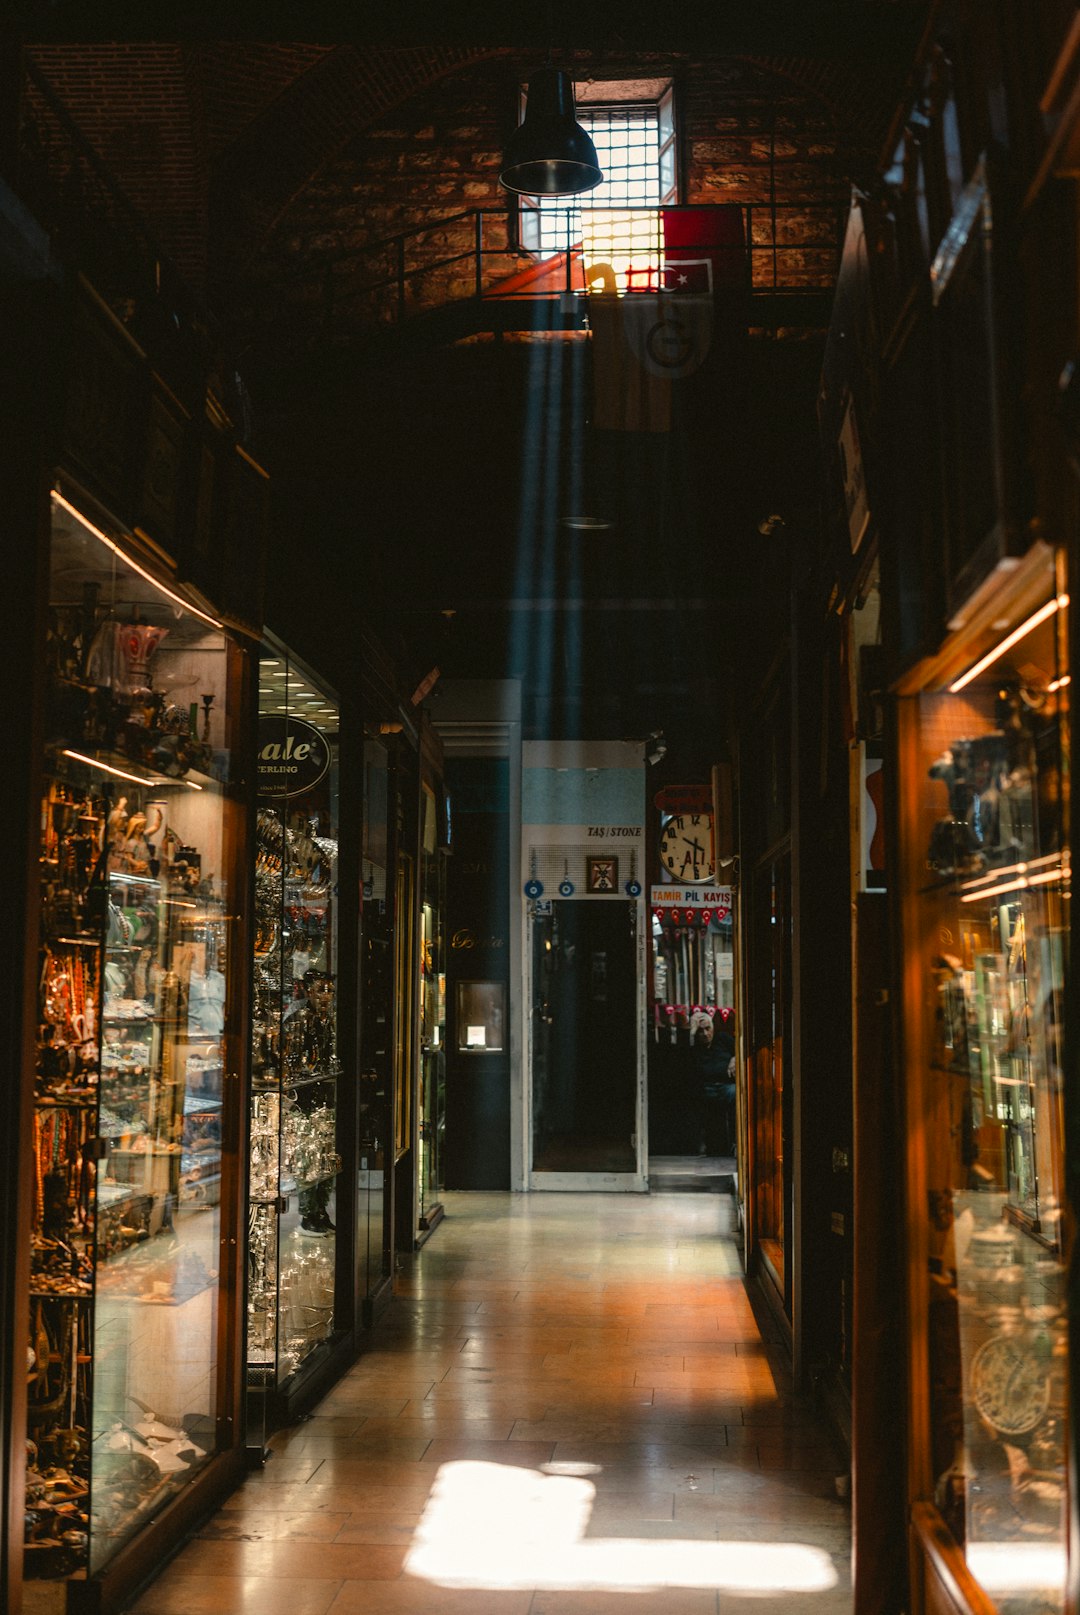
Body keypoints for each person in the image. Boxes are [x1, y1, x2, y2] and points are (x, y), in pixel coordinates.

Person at [689, 1010, 736, 1157]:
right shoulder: (693, 1047)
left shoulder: (722, 1039)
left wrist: (734, 1059)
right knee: (698, 1098)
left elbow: (740, 1049)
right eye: (700, 1030)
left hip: (726, 1086)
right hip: (706, 1087)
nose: (705, 1033)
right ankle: (705, 1144)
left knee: (736, 1094)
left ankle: (736, 1143)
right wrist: (691, 1034)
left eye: (707, 1028)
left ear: (713, 1028)